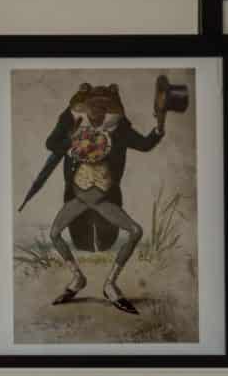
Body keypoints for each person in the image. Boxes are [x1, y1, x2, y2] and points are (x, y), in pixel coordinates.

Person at [22, 78, 174, 314]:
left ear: (109, 109)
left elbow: (145, 144)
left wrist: (160, 126)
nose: (97, 111)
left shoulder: (118, 128)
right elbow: (51, 143)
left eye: (103, 107)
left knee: (135, 231)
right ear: (85, 106)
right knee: (54, 234)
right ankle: (77, 279)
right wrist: (69, 132)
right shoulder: (73, 125)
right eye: (93, 106)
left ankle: (110, 283)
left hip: (103, 197)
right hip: (78, 196)